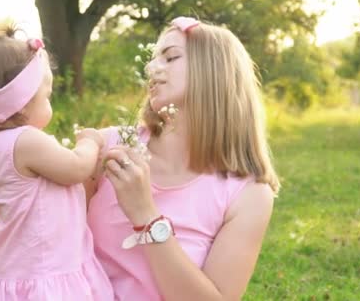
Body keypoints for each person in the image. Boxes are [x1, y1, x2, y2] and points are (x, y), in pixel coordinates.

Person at [86, 16, 280, 300]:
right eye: (152, 59)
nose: (151, 68)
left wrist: (146, 216)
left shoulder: (249, 194)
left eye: (170, 57)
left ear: (213, 71)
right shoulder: (109, 147)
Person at [0, 27, 113, 300]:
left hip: (23, 268)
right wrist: (90, 142)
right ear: (22, 104)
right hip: (45, 271)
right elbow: (76, 169)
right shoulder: (26, 141)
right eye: (46, 96)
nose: (50, 101)